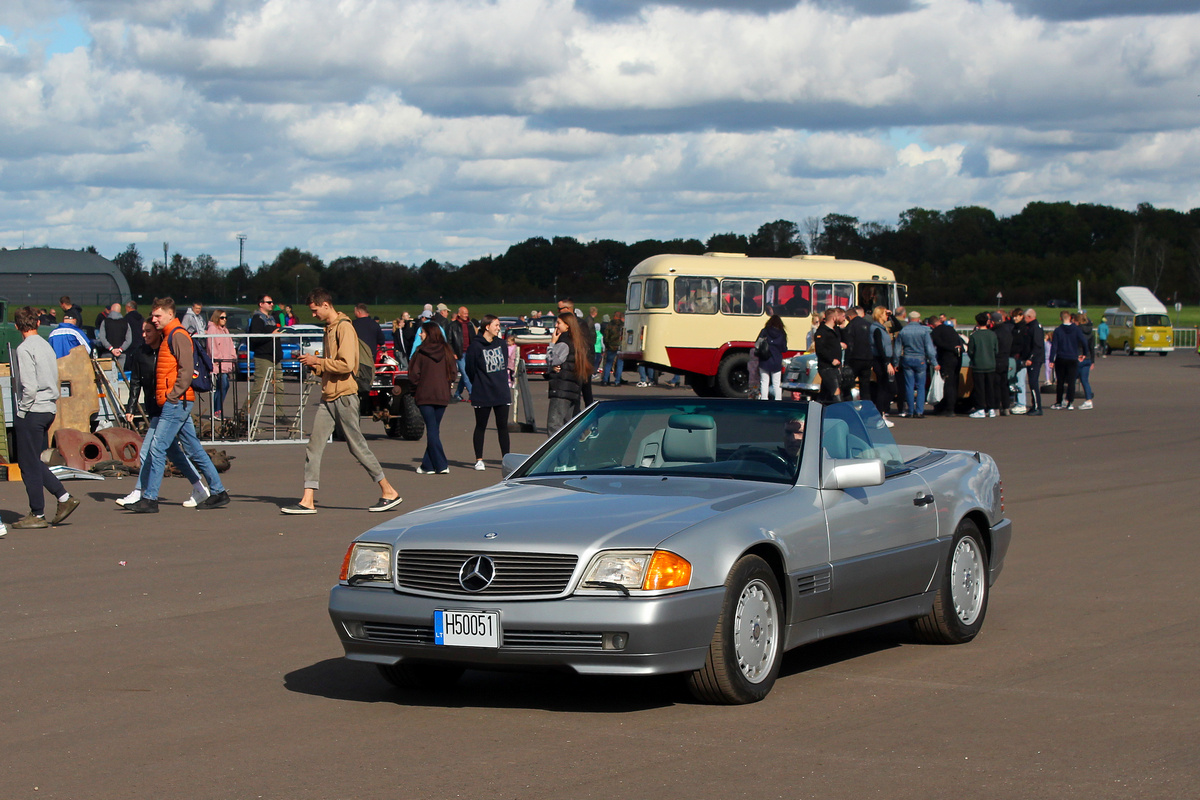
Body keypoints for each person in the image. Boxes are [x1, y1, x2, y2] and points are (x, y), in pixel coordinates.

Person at [282, 288, 402, 515]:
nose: (314, 315)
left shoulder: (344, 327)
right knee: (314, 447)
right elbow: (331, 366)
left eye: (315, 310)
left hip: (345, 396)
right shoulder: (329, 329)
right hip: (328, 396)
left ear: (325, 305)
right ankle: (308, 499)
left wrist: (318, 360)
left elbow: (346, 365)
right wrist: (315, 365)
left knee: (357, 446)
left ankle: (388, 491)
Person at [126, 297, 230, 513]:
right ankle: (218, 491)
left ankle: (150, 499)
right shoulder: (169, 335)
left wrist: (173, 394)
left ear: (170, 315)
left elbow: (187, 368)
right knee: (193, 449)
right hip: (176, 401)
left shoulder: (177, 334)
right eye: (153, 315)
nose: (154, 320)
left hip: (177, 402)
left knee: (157, 447)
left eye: (158, 316)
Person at [115, 320, 211, 509]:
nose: (144, 334)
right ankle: (202, 487)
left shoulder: (168, 350)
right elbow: (136, 382)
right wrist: (130, 408)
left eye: (148, 331)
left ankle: (142, 493)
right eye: (143, 331)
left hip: (170, 406)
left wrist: (174, 397)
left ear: (158, 332)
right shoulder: (141, 353)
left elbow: (183, 372)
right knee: (176, 453)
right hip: (157, 407)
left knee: (150, 451)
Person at [10, 307, 80, 529]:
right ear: (38, 323)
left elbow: (29, 387)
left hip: (33, 410)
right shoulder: (46, 345)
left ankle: (38, 513)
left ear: (16, 327)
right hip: (49, 408)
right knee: (33, 460)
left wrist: (21, 411)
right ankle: (62, 498)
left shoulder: (24, 349)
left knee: (27, 463)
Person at [408, 321, 457, 474]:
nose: (420, 335)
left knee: (432, 430)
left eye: (422, 332)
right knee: (434, 429)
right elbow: (454, 373)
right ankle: (427, 465)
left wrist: (417, 387)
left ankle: (442, 465)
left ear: (428, 334)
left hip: (425, 394)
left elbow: (413, 376)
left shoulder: (420, 352)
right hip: (442, 395)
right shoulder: (447, 351)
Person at [465, 314, 511, 470]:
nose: (499, 328)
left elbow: (503, 365)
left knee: (502, 426)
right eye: (496, 325)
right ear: (487, 327)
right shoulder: (475, 347)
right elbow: (470, 369)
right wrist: (477, 383)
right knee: (481, 426)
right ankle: (479, 459)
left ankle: (506, 459)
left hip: (501, 391)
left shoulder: (501, 344)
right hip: (483, 392)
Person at [546, 311, 590, 435]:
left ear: (567, 326)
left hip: (562, 388)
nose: (556, 326)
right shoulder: (578, 343)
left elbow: (552, 359)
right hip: (573, 388)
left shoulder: (564, 341)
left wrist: (552, 344)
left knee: (554, 424)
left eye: (559, 323)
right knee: (569, 424)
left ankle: (556, 453)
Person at [894, 311, 936, 418]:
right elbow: (929, 349)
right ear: (918, 319)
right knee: (920, 386)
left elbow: (897, 350)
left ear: (909, 319)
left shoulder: (904, 331)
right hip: (920, 358)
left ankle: (910, 411)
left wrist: (895, 362)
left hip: (907, 358)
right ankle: (919, 411)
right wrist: (934, 361)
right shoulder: (924, 331)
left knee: (909, 385)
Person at [246, 293, 282, 419]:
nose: (272, 304)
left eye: (272, 302)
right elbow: (255, 339)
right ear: (261, 304)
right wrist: (271, 335)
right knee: (259, 387)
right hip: (263, 357)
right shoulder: (257, 319)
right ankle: (243, 412)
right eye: (269, 302)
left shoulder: (272, 318)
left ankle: (280, 415)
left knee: (280, 387)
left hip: (275, 357)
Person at [558, 299, 595, 406]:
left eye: (559, 309)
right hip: (570, 363)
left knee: (585, 393)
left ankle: (591, 419)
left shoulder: (580, 323)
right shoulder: (562, 323)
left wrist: (587, 363)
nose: (558, 311)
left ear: (568, 309)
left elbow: (587, 345)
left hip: (581, 362)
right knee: (573, 395)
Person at [1050, 310, 1088, 410]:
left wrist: (1051, 360)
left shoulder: (1058, 330)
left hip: (1061, 357)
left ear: (1060, 318)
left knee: (1060, 381)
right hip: (1072, 357)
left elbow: (1054, 346)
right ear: (1070, 318)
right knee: (1071, 381)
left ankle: (1059, 402)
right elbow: (1084, 342)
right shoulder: (1076, 329)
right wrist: (1084, 353)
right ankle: (1070, 402)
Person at [967, 312, 1000, 419]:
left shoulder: (974, 336)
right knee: (990, 387)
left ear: (977, 322)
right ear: (987, 321)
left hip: (978, 365)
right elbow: (996, 350)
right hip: (991, 364)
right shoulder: (992, 334)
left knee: (979, 388)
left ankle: (981, 408)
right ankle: (991, 409)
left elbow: (970, 351)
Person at [206, 309, 236, 419]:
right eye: (222, 317)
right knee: (223, 385)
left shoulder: (225, 330)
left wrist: (233, 357)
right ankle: (217, 411)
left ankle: (217, 410)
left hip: (226, 363)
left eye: (225, 318)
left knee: (223, 387)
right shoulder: (212, 329)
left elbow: (231, 345)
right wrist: (217, 359)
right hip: (218, 364)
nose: (224, 320)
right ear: (217, 317)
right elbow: (211, 346)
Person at [930, 316, 962, 416]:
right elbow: (959, 341)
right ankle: (953, 406)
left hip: (946, 359)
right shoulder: (951, 329)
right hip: (957, 358)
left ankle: (948, 408)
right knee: (954, 382)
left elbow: (938, 344)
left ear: (931, 325)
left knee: (947, 384)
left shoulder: (935, 332)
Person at [869, 306, 896, 424]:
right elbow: (880, 348)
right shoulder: (877, 329)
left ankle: (882, 412)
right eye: (885, 314)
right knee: (883, 388)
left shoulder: (882, 328)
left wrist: (892, 315)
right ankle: (880, 414)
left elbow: (898, 327)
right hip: (881, 360)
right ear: (880, 314)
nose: (887, 316)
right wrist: (887, 363)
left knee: (886, 387)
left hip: (884, 360)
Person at [813, 308, 843, 404]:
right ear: (834, 318)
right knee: (835, 392)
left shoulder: (835, 331)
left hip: (835, 367)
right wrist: (831, 359)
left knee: (824, 394)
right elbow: (820, 350)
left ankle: (816, 411)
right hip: (826, 367)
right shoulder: (822, 332)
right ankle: (841, 413)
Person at [1019, 309, 1045, 416]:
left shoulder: (1035, 328)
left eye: (1025, 317)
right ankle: (1034, 405)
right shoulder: (1030, 327)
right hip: (1031, 358)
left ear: (1029, 317)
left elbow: (1037, 345)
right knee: (1031, 382)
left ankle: (1037, 406)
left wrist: (1030, 358)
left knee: (1033, 383)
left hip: (1035, 360)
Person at [756, 314, 787, 401]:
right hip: (776, 360)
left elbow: (757, 345)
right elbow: (784, 348)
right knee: (777, 383)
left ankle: (764, 400)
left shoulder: (764, 331)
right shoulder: (782, 333)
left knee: (764, 382)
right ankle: (778, 400)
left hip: (764, 360)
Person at [449, 306, 477, 402]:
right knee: (465, 374)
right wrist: (453, 352)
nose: (466, 315)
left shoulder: (470, 325)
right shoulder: (453, 325)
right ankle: (472, 394)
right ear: (459, 314)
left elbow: (474, 339)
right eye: (464, 313)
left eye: (467, 313)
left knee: (467, 374)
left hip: (469, 353)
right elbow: (449, 341)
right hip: (459, 353)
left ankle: (457, 394)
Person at [97, 302, 132, 369]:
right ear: (120, 311)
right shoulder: (125, 323)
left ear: (111, 309)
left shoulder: (105, 322)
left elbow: (102, 338)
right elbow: (129, 339)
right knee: (119, 375)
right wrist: (120, 349)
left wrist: (111, 348)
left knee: (107, 375)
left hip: (107, 353)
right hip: (121, 354)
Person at [1075, 313, 1096, 409]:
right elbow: (1092, 348)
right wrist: (1092, 361)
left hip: (1078, 357)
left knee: (1071, 379)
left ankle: (1067, 400)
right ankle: (1088, 400)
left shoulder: (1077, 330)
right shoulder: (1090, 331)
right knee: (1084, 380)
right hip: (1087, 358)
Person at [601, 311, 626, 386]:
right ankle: (617, 381)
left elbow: (606, 337)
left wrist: (607, 345)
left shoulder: (609, 325)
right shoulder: (623, 325)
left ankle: (605, 380)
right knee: (619, 364)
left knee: (608, 363)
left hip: (611, 346)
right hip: (620, 347)